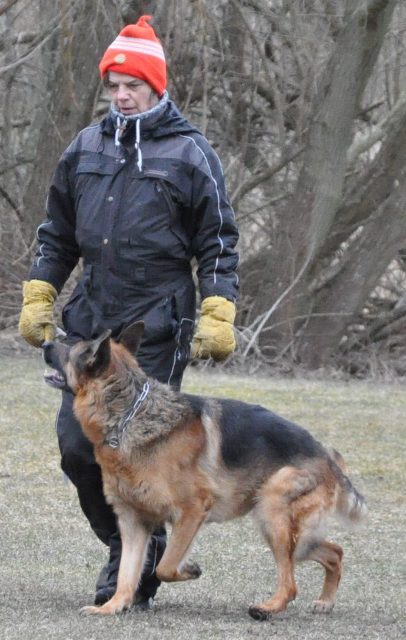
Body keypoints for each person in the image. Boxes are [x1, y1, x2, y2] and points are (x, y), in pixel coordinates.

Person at [19, 15, 239, 609]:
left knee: (140, 452)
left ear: (156, 86)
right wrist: (40, 291)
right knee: (77, 447)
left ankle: (132, 568)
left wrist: (218, 310)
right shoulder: (84, 147)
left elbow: (219, 241)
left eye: (133, 85)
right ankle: (129, 545)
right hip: (90, 320)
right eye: (113, 84)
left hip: (156, 327)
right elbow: (56, 233)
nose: (121, 95)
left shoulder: (191, 154)